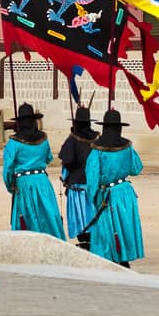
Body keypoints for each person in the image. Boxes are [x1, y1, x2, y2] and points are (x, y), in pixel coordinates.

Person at [83, 109, 144, 268]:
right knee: (124, 225)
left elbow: (92, 178)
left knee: (107, 227)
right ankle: (123, 258)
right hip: (125, 191)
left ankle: (111, 259)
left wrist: (94, 197)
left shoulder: (97, 150)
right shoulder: (127, 146)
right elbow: (136, 168)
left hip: (107, 194)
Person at [2, 103, 64, 239]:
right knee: (48, 215)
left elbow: (7, 169)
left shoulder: (14, 142)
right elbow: (48, 158)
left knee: (28, 217)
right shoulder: (43, 139)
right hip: (42, 181)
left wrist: (11, 186)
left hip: (24, 183)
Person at [58, 106, 97, 249]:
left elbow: (67, 161)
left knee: (81, 215)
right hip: (93, 184)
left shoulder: (73, 139)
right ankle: (91, 239)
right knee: (92, 212)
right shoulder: (97, 139)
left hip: (77, 185)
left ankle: (84, 241)